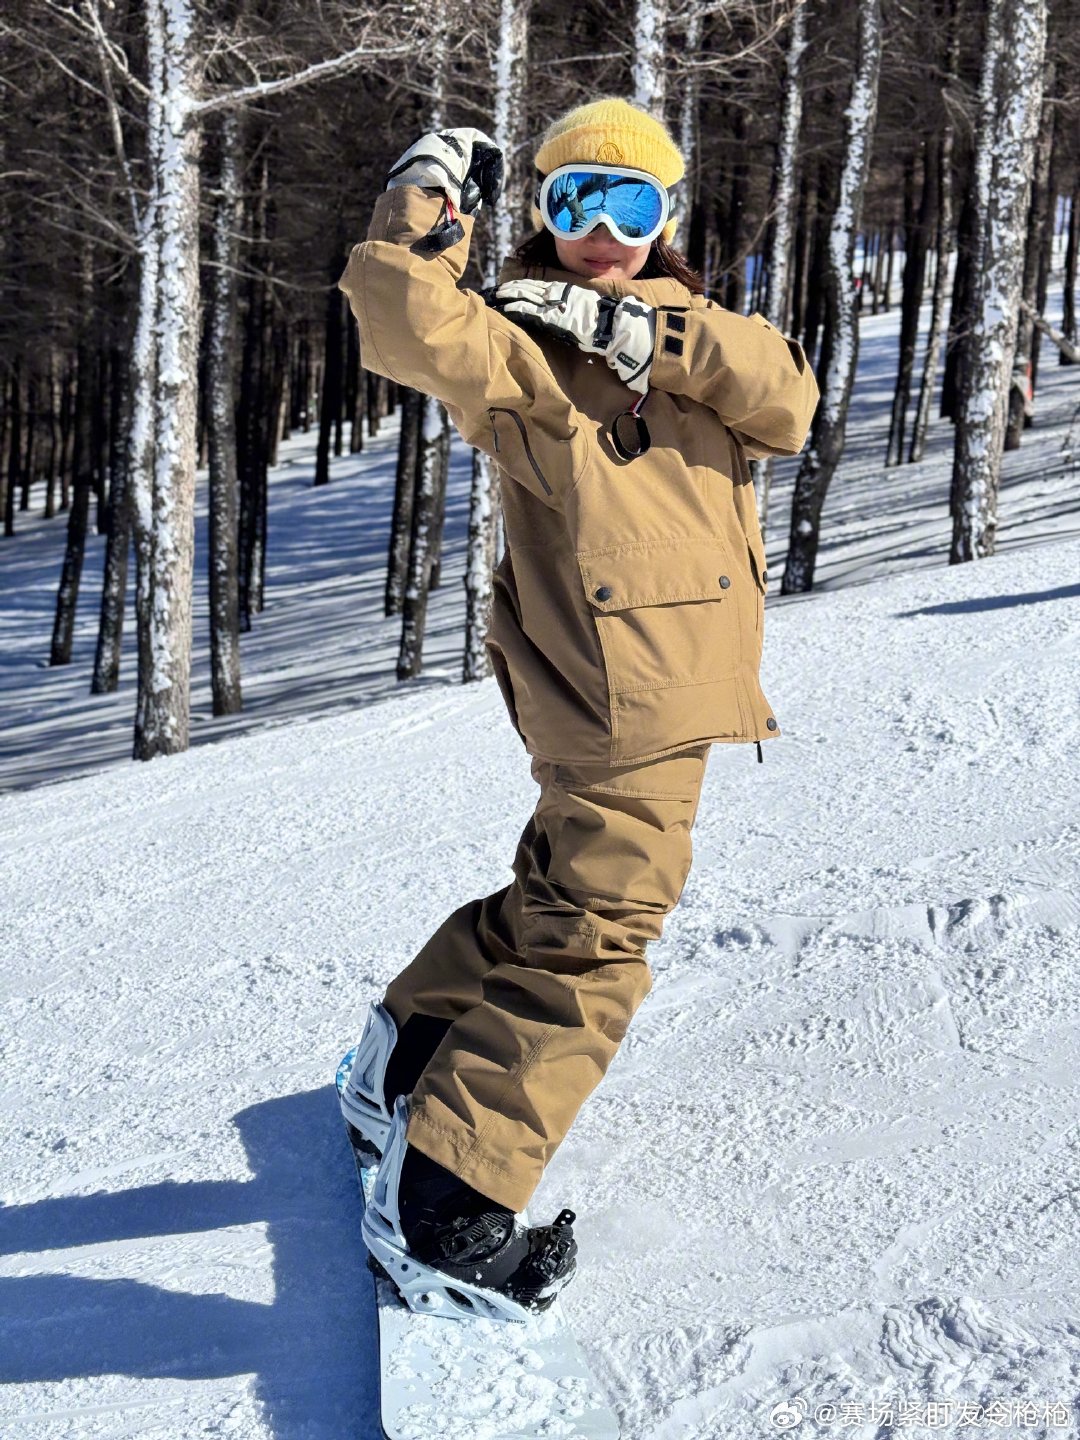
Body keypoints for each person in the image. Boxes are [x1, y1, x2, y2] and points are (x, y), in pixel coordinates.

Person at [336, 97, 819, 1323]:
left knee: (566, 893)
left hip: (659, 677)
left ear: (665, 218)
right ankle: (447, 1205)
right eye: (575, 203)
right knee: (599, 941)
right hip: (615, 688)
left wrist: (651, 335)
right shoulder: (521, 344)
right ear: (543, 214)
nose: (602, 232)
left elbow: (789, 401)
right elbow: (403, 321)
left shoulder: (691, 329)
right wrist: (421, 201)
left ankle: (407, 1049)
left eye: (630, 204)